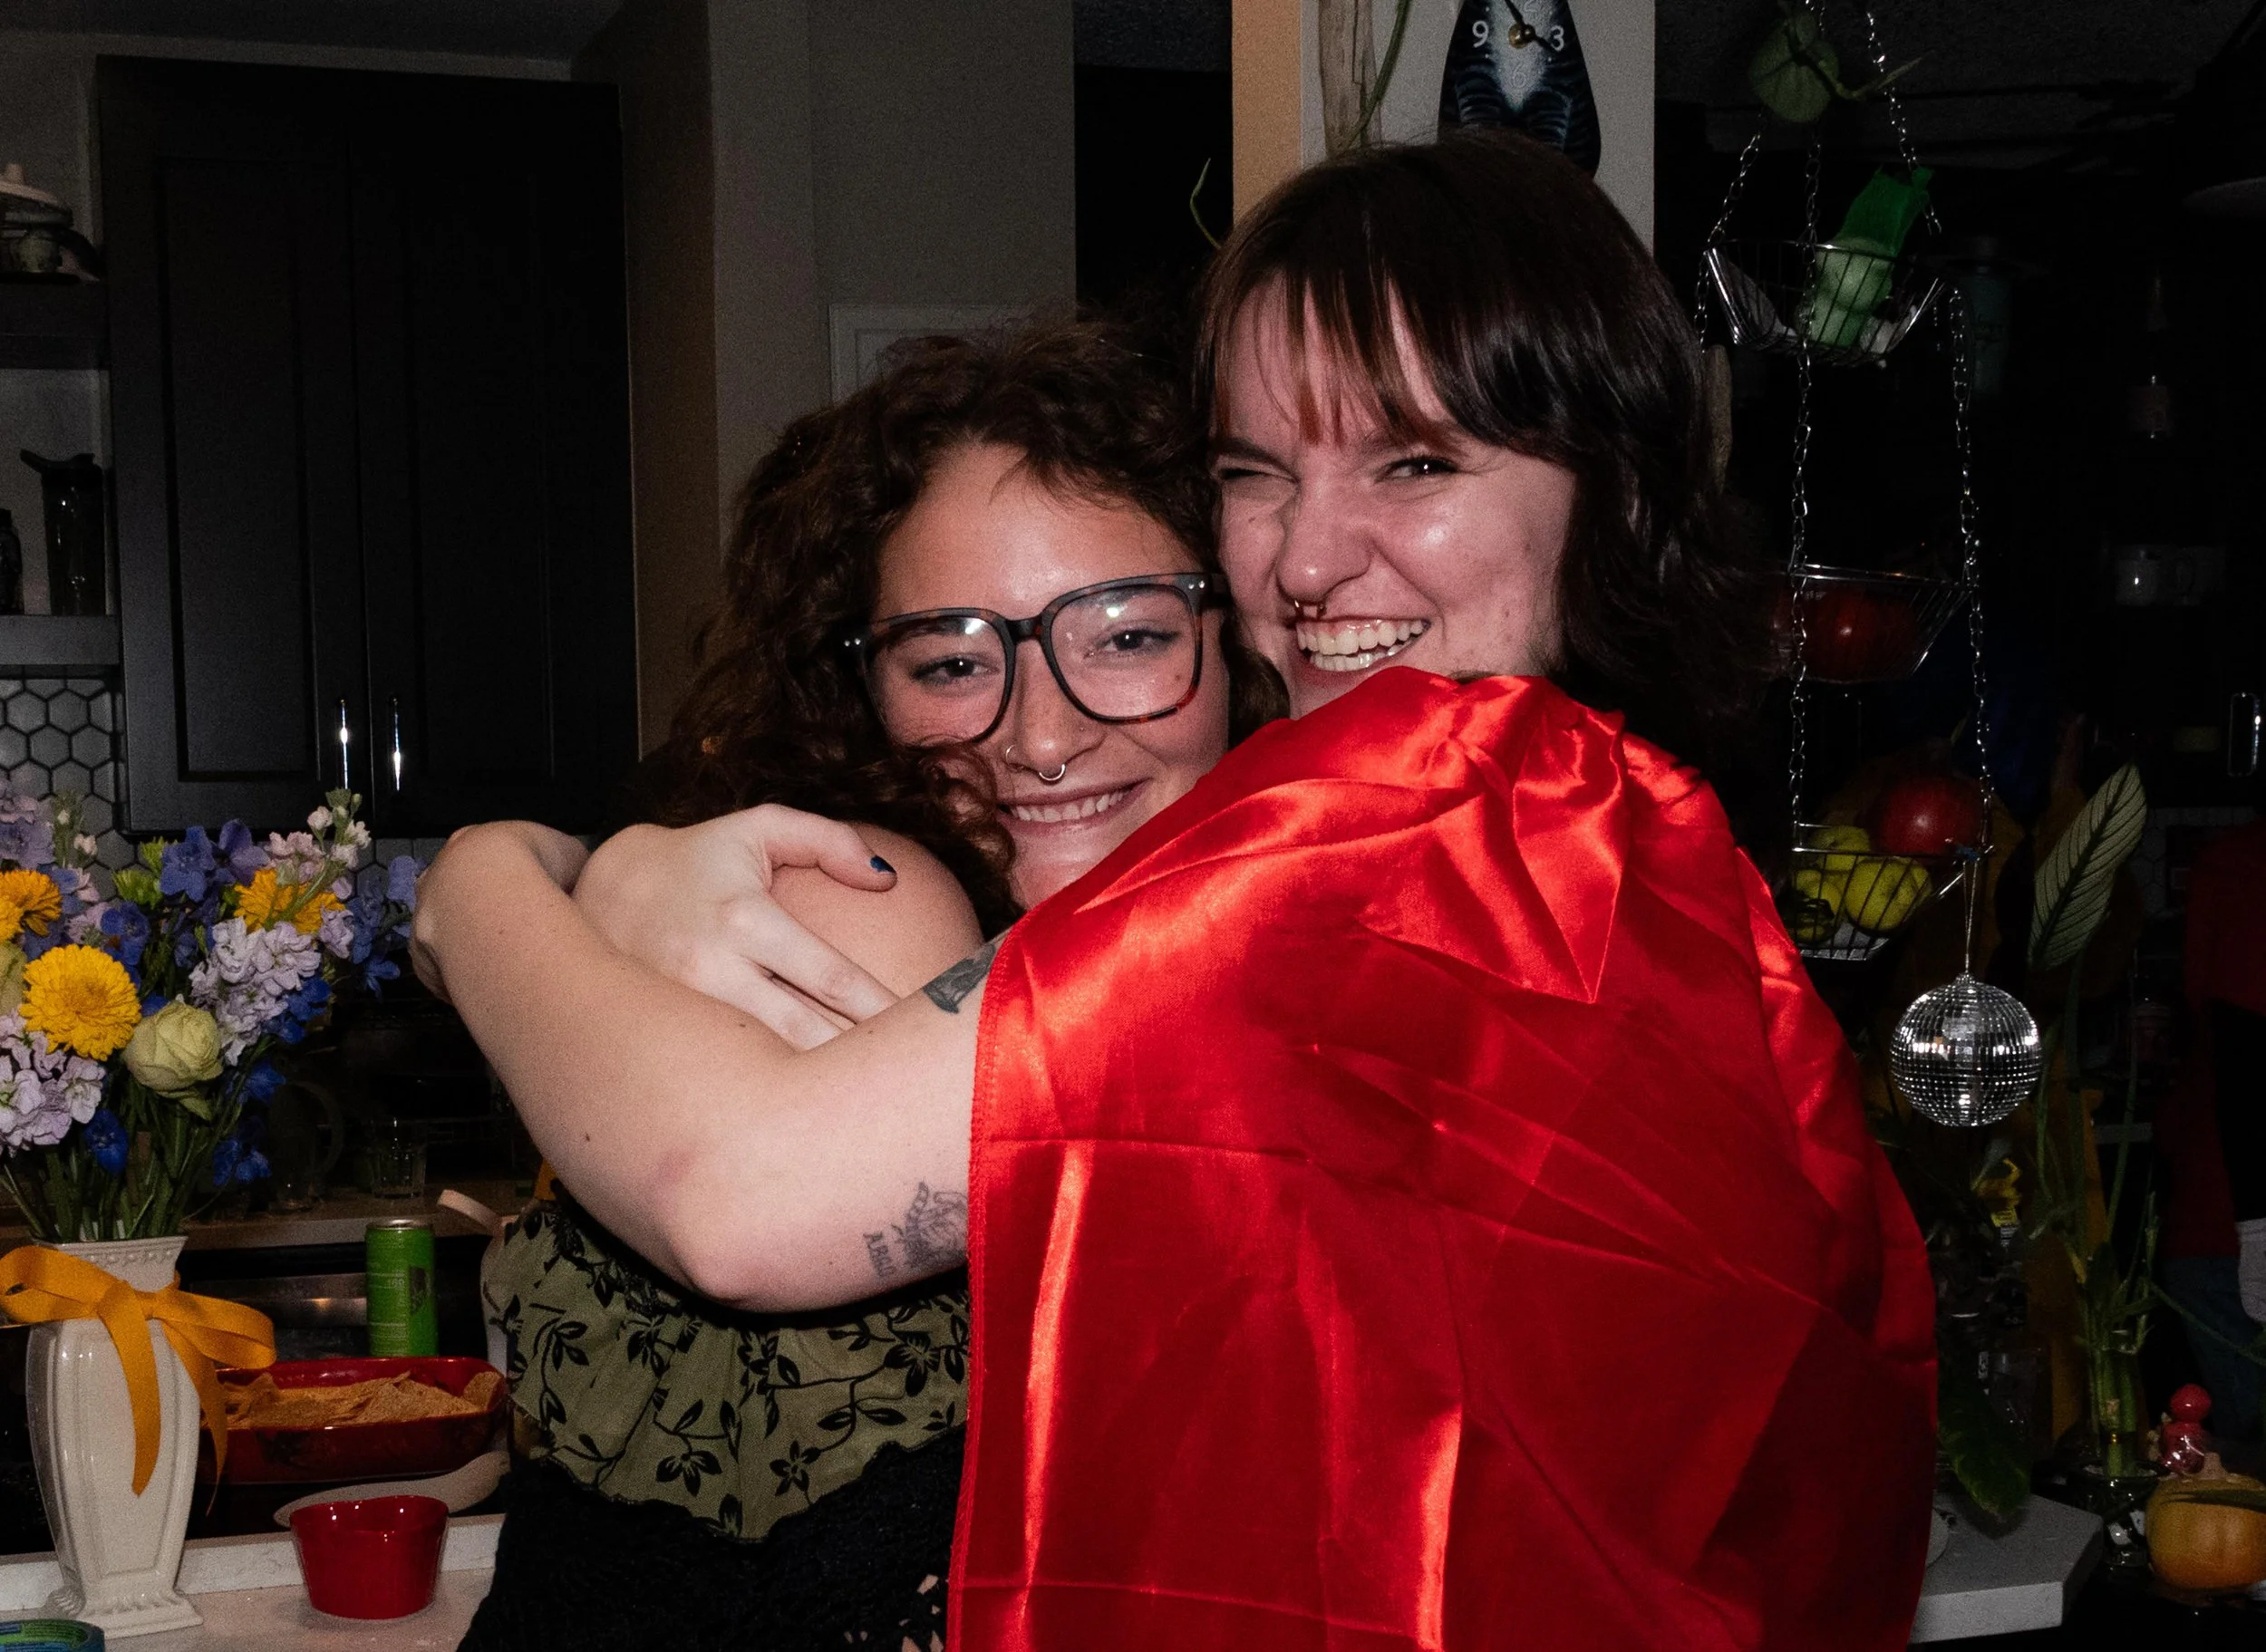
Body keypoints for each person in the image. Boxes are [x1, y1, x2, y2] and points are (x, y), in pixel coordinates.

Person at [419, 131, 1936, 1650]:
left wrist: (481, 877)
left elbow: (743, 1198)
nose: (1311, 560)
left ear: (1606, 482)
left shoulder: (1404, 802)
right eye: (1255, 475)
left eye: (1415, 462)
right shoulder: (1638, 839)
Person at [457, 319, 1276, 1652]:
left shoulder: (1272, 919)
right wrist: (496, 875)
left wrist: (504, 871)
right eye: (953, 661)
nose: (1048, 732)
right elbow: (738, 1211)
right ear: (860, 688)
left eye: (1127, 637)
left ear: (1238, 634)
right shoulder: (876, 903)